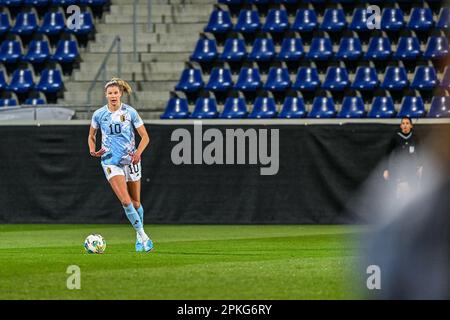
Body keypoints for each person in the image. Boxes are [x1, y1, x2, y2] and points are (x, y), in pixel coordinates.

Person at [88, 78, 153, 252]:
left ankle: (139, 236)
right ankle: (144, 237)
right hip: (110, 161)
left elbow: (145, 136)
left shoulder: (130, 112)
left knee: (136, 202)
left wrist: (138, 153)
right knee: (125, 201)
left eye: (116, 92)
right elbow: (91, 136)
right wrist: (92, 150)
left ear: (121, 93)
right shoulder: (99, 114)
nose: (113, 96)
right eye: (110, 93)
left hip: (130, 160)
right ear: (106, 95)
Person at [383, 116, 423, 200]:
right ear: (401, 126)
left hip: (411, 168)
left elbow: (420, 152)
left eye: (407, 123)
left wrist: (420, 166)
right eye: (403, 123)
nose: (405, 125)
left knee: (412, 194)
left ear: (411, 126)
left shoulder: (414, 137)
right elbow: (387, 153)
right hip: (398, 168)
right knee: (399, 194)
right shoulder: (396, 137)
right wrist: (386, 169)